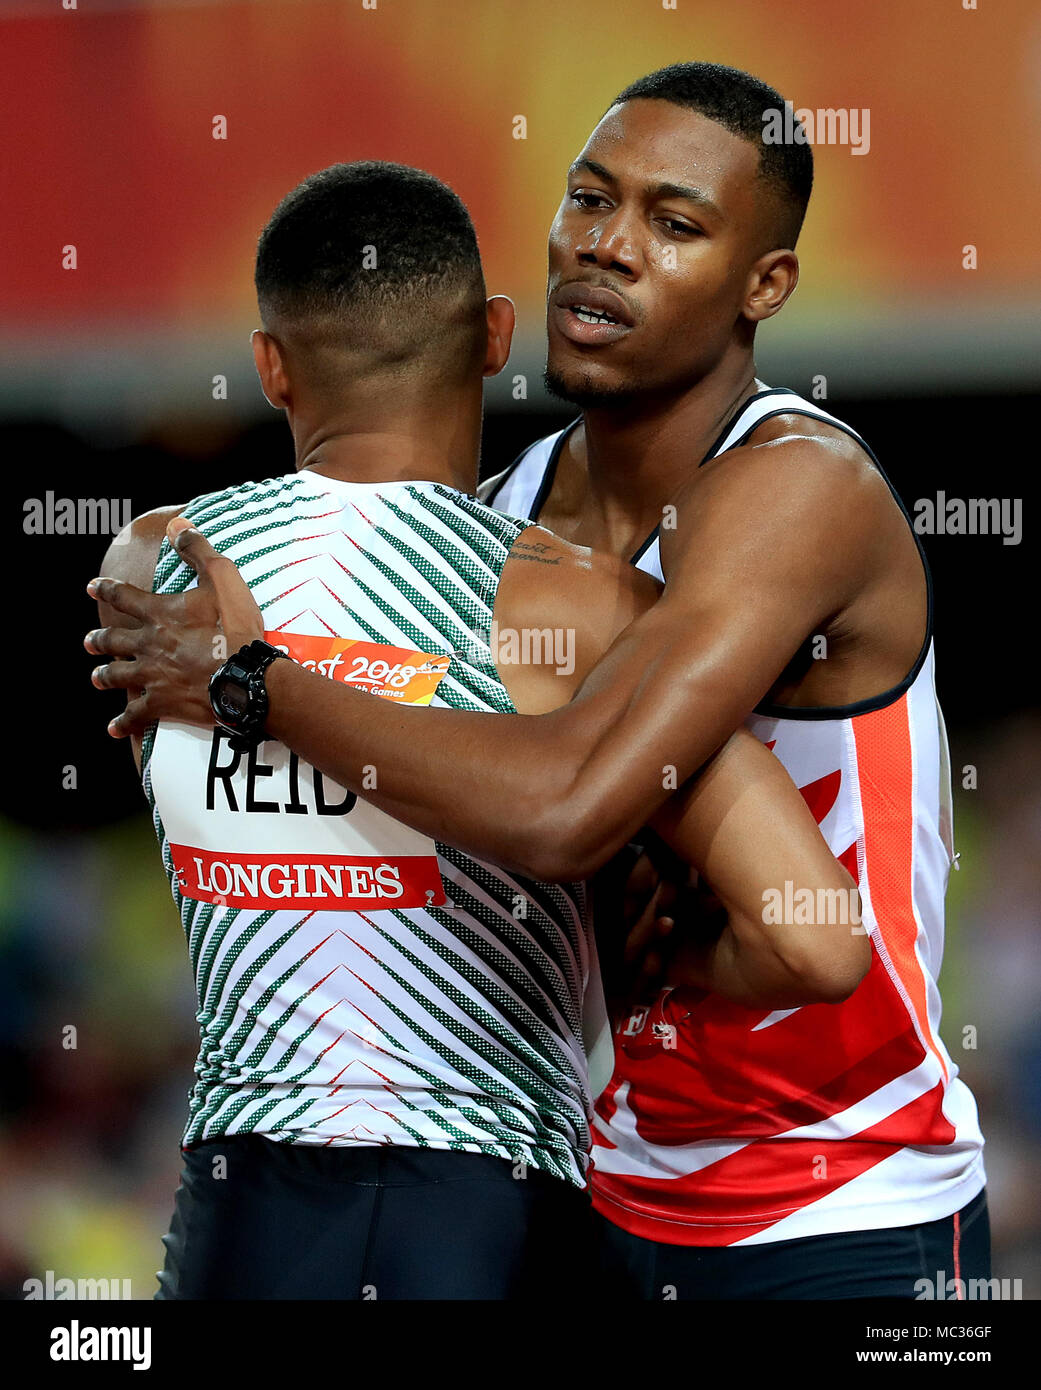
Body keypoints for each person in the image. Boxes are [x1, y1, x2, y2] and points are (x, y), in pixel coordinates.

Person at [89, 61, 987, 1300]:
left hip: (837, 1206)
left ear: (765, 284)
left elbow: (566, 807)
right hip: (601, 1192)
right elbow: (499, 844)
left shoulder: (799, 488)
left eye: (674, 225)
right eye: (588, 200)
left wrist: (251, 683)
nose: (608, 247)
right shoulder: (508, 524)